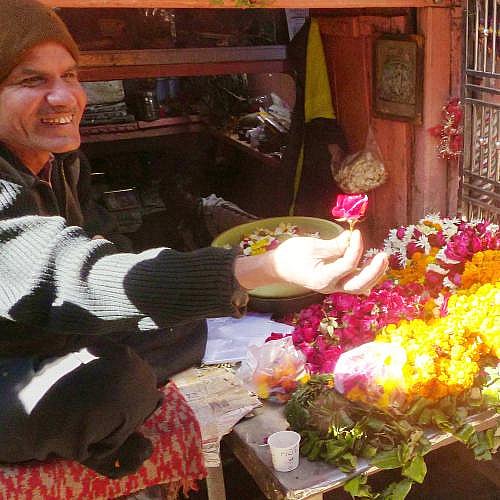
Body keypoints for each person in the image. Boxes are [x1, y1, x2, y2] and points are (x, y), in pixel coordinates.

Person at [0, 0, 388, 479]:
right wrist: (265, 267)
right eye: (31, 80)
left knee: (192, 322)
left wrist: (202, 288)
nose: (63, 97)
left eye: (70, 75)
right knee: (114, 385)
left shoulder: (60, 163)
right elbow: (76, 276)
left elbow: (107, 252)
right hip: (11, 358)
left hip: (58, 329)